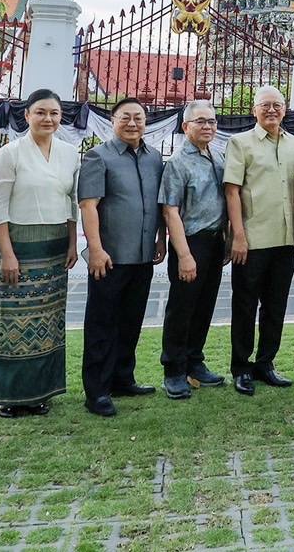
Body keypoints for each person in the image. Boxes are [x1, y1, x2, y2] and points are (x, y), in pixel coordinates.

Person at [0, 88, 80, 418]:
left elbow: (71, 204)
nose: (48, 119)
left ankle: (41, 392)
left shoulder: (70, 153)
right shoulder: (10, 153)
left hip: (54, 249)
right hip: (19, 246)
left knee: (48, 322)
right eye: (41, 112)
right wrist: (7, 254)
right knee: (14, 321)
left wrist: (72, 243)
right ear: (27, 116)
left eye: (54, 113)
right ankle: (10, 396)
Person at [78, 97, 166, 418]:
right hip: (109, 256)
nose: (132, 123)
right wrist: (96, 250)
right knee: (102, 324)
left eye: (139, 118)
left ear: (146, 122)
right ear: (113, 121)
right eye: (125, 117)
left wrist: (161, 238)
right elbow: (88, 206)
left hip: (143, 255)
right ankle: (97, 391)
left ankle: (123, 378)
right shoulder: (97, 157)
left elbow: (159, 205)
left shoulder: (154, 158)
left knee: (131, 322)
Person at [223, 86, 294, 396]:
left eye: (277, 105)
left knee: (276, 306)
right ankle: (241, 367)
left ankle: (266, 362)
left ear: (285, 110)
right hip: (252, 240)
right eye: (265, 105)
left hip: (285, 240)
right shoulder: (240, 143)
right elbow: (232, 191)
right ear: (255, 110)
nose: (272, 110)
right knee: (245, 306)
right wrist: (238, 237)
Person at [159, 99, 228, 399]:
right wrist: (184, 255)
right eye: (201, 121)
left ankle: (194, 362)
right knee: (182, 308)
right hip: (189, 243)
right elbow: (170, 211)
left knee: (204, 306)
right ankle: (173, 369)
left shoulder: (218, 157)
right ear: (186, 126)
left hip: (214, 242)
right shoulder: (178, 163)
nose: (207, 126)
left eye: (211, 121)